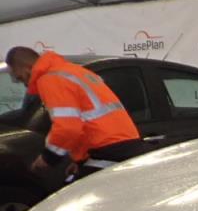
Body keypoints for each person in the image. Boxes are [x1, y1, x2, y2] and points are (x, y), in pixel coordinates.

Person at [4, 46, 151, 180]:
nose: (23, 83)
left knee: (76, 197)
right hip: (122, 146)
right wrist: (80, 161)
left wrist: (47, 158)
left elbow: (68, 128)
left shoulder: (50, 79)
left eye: (19, 77)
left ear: (26, 68)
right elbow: (86, 118)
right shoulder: (73, 71)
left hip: (106, 151)